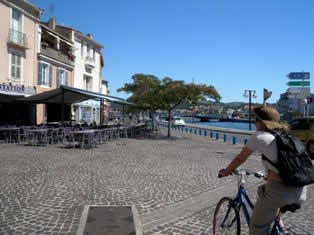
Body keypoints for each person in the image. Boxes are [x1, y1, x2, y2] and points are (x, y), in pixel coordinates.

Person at [218, 105, 304, 235]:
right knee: (262, 190)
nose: (255, 124)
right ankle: (281, 227)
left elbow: (240, 158)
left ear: (261, 122)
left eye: (255, 121)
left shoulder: (259, 136)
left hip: (280, 192)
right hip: (300, 189)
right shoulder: (288, 138)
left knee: (257, 227)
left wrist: (226, 171)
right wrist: (271, 175)